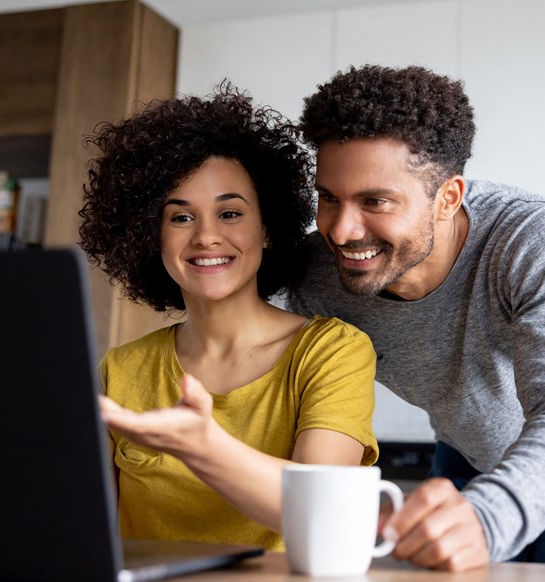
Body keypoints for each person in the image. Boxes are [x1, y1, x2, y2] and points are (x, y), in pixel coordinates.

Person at [289, 65, 545, 571]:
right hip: (465, 440)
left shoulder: (531, 240)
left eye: (375, 201)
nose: (343, 231)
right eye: (328, 197)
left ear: (449, 197)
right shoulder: (315, 274)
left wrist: (488, 518)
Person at [78, 83, 379, 551]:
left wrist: (202, 445)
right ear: (148, 236)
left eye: (230, 213)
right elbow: (96, 534)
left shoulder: (333, 352)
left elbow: (323, 511)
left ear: (267, 229)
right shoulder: (121, 369)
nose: (206, 236)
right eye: (180, 218)